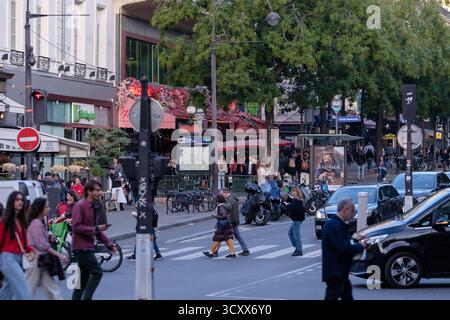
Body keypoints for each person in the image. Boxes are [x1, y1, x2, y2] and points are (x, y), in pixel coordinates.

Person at [71, 181, 116, 300]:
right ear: (88, 191)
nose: (99, 192)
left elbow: (97, 231)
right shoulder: (80, 206)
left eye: (99, 190)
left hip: (88, 246)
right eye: (96, 190)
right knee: (97, 273)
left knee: (83, 278)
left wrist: (109, 244)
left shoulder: (94, 207)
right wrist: (95, 228)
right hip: (81, 247)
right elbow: (76, 227)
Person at [322, 198, 366, 300]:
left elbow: (345, 242)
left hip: (340, 271)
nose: (353, 215)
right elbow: (343, 247)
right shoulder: (334, 225)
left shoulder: (337, 224)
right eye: (353, 211)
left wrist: (356, 240)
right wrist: (361, 246)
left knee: (346, 296)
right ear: (345, 209)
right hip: (335, 272)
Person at [26, 198, 67, 300]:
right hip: (34, 258)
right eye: (46, 207)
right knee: (29, 289)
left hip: (40, 259)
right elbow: (42, 245)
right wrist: (59, 255)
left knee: (51, 288)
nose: (49, 209)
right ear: (40, 209)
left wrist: (48, 236)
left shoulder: (40, 222)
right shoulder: (36, 223)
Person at [0, 191, 35, 300]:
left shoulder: (21, 220)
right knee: (23, 290)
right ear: (11, 202)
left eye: (21, 200)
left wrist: (30, 250)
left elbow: (23, 242)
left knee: (7, 291)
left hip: (19, 258)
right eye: (17, 200)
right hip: (8, 258)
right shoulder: (5, 221)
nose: (20, 202)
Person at [220, 188, 250, 256]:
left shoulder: (230, 199)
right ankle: (245, 250)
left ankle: (215, 252)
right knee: (237, 236)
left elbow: (228, 208)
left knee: (222, 236)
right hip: (234, 220)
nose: (221, 195)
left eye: (222, 194)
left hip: (231, 220)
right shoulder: (231, 198)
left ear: (226, 193)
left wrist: (221, 205)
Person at [286, 187, 305, 256]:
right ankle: (297, 247)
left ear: (297, 192)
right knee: (291, 233)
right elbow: (291, 202)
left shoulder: (297, 200)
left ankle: (299, 250)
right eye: (291, 191)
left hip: (297, 219)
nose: (292, 192)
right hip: (297, 219)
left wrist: (288, 206)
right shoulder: (296, 199)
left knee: (296, 235)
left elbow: (293, 208)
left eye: (293, 191)